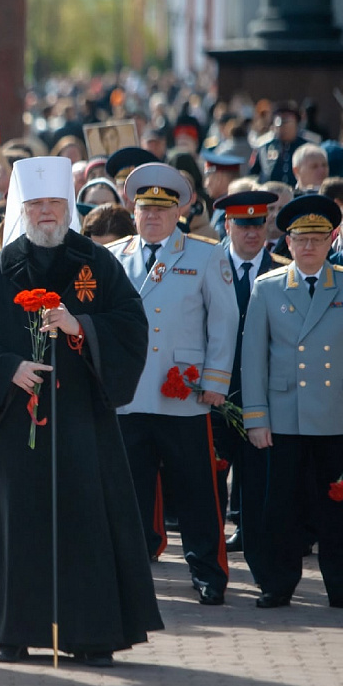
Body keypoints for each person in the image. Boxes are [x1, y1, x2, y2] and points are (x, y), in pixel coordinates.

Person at [0, 155, 163, 667]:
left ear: (68, 206)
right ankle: (9, 633)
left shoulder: (96, 263)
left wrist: (79, 325)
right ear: (23, 206)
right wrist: (7, 369)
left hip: (82, 421)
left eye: (54, 204)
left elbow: (131, 325)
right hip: (14, 423)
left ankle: (90, 634)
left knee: (86, 522)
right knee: (14, 525)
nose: (45, 213)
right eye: (36, 204)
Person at [242, 194, 343, 612]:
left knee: (339, 508)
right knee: (281, 506)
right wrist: (256, 416)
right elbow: (254, 358)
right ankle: (278, 584)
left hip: (337, 416)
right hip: (284, 415)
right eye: (300, 238)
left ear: (331, 239)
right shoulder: (266, 288)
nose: (308, 246)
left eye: (318, 238)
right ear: (286, 242)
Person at [109, 162, 238, 605]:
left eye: (162, 210)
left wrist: (217, 380)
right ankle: (134, 564)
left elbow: (224, 320)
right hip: (129, 393)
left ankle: (207, 571)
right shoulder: (115, 256)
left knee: (197, 487)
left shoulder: (205, 254)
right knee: (131, 487)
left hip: (182, 389)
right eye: (145, 209)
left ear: (180, 211)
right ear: (133, 210)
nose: (152, 218)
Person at [210, 190, 287, 564]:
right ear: (228, 226)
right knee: (210, 477)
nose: (251, 232)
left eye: (257, 224)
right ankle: (211, 549)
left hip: (263, 393)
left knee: (258, 480)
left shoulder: (283, 270)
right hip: (213, 390)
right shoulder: (206, 267)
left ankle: (259, 555)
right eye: (243, 224)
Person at [253, 101, 308, 187]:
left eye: (286, 122)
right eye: (278, 123)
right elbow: (253, 174)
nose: (281, 127)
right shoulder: (264, 146)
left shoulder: (306, 147)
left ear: (296, 124)